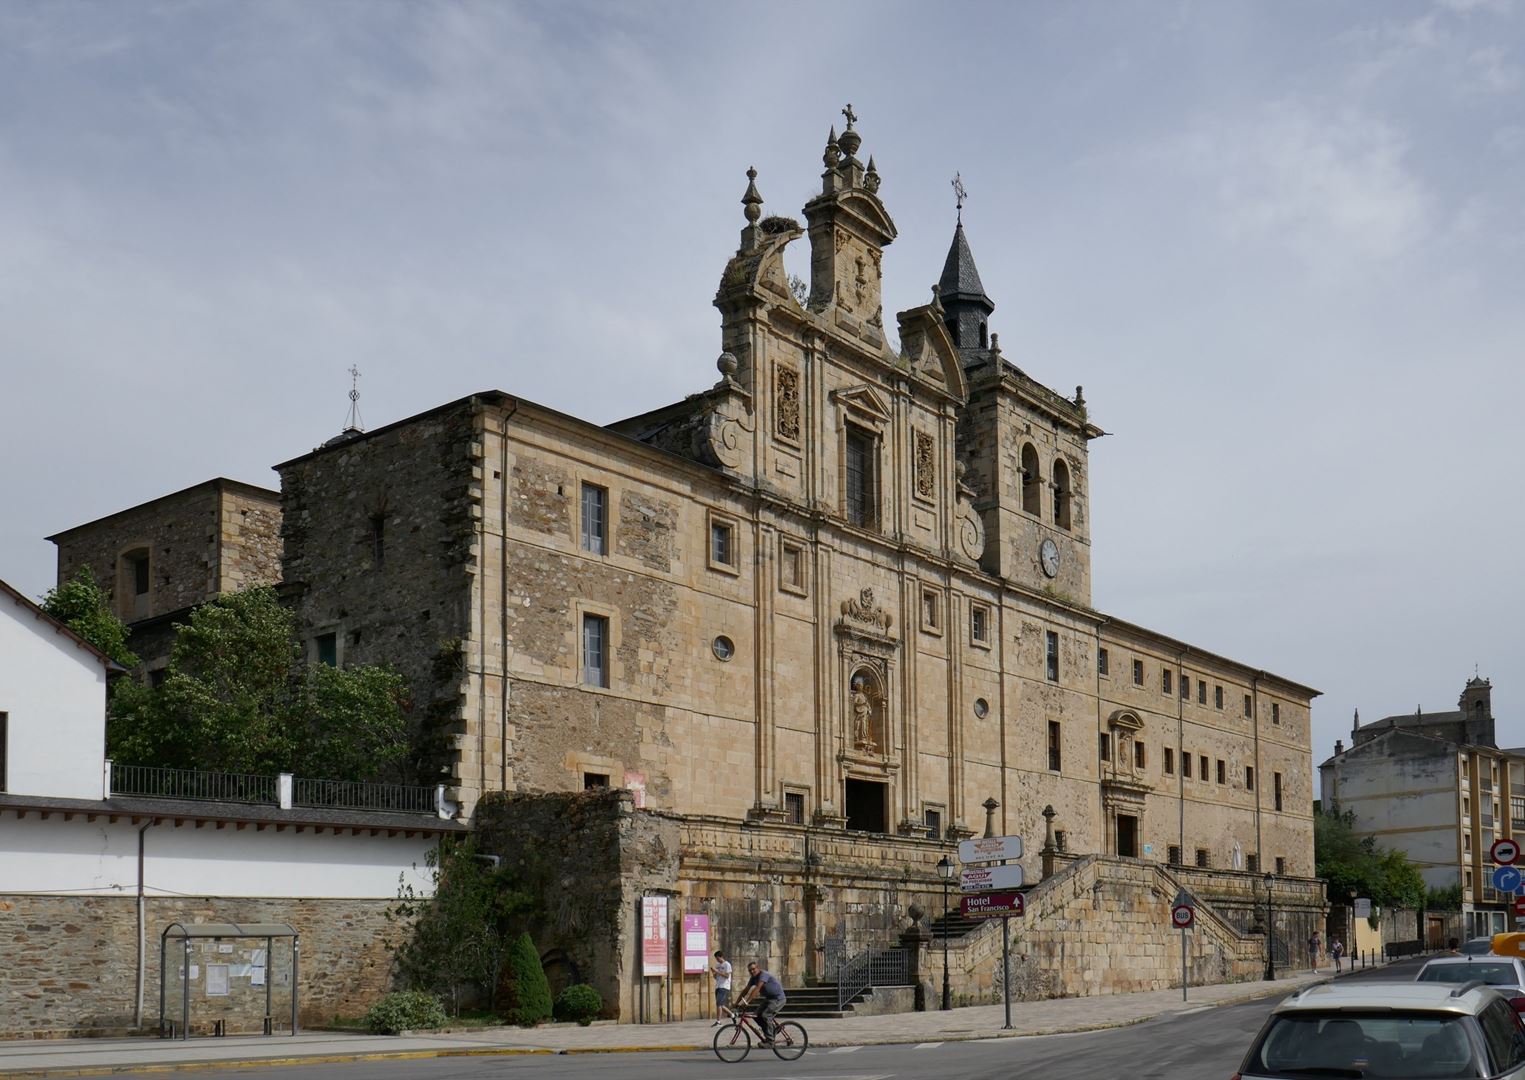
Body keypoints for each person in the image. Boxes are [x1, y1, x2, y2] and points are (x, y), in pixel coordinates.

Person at [735, 960, 787, 1042]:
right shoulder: (753, 978)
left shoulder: (763, 975)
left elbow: (757, 989)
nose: (752, 971)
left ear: (758, 968)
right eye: (750, 970)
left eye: (753, 969)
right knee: (756, 1015)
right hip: (769, 999)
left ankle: (770, 1041)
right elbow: (746, 990)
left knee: (766, 1015)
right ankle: (773, 1030)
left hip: (778, 998)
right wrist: (736, 1003)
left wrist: (747, 1002)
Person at [710, 949, 733, 1026]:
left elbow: (727, 976)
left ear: (721, 957)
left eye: (717, 958)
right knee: (720, 1004)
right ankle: (732, 1015)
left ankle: (718, 1021)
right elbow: (716, 977)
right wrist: (713, 973)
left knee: (719, 1004)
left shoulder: (727, 964)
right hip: (718, 986)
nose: (717, 960)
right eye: (716, 958)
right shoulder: (718, 965)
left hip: (724, 986)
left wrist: (717, 971)